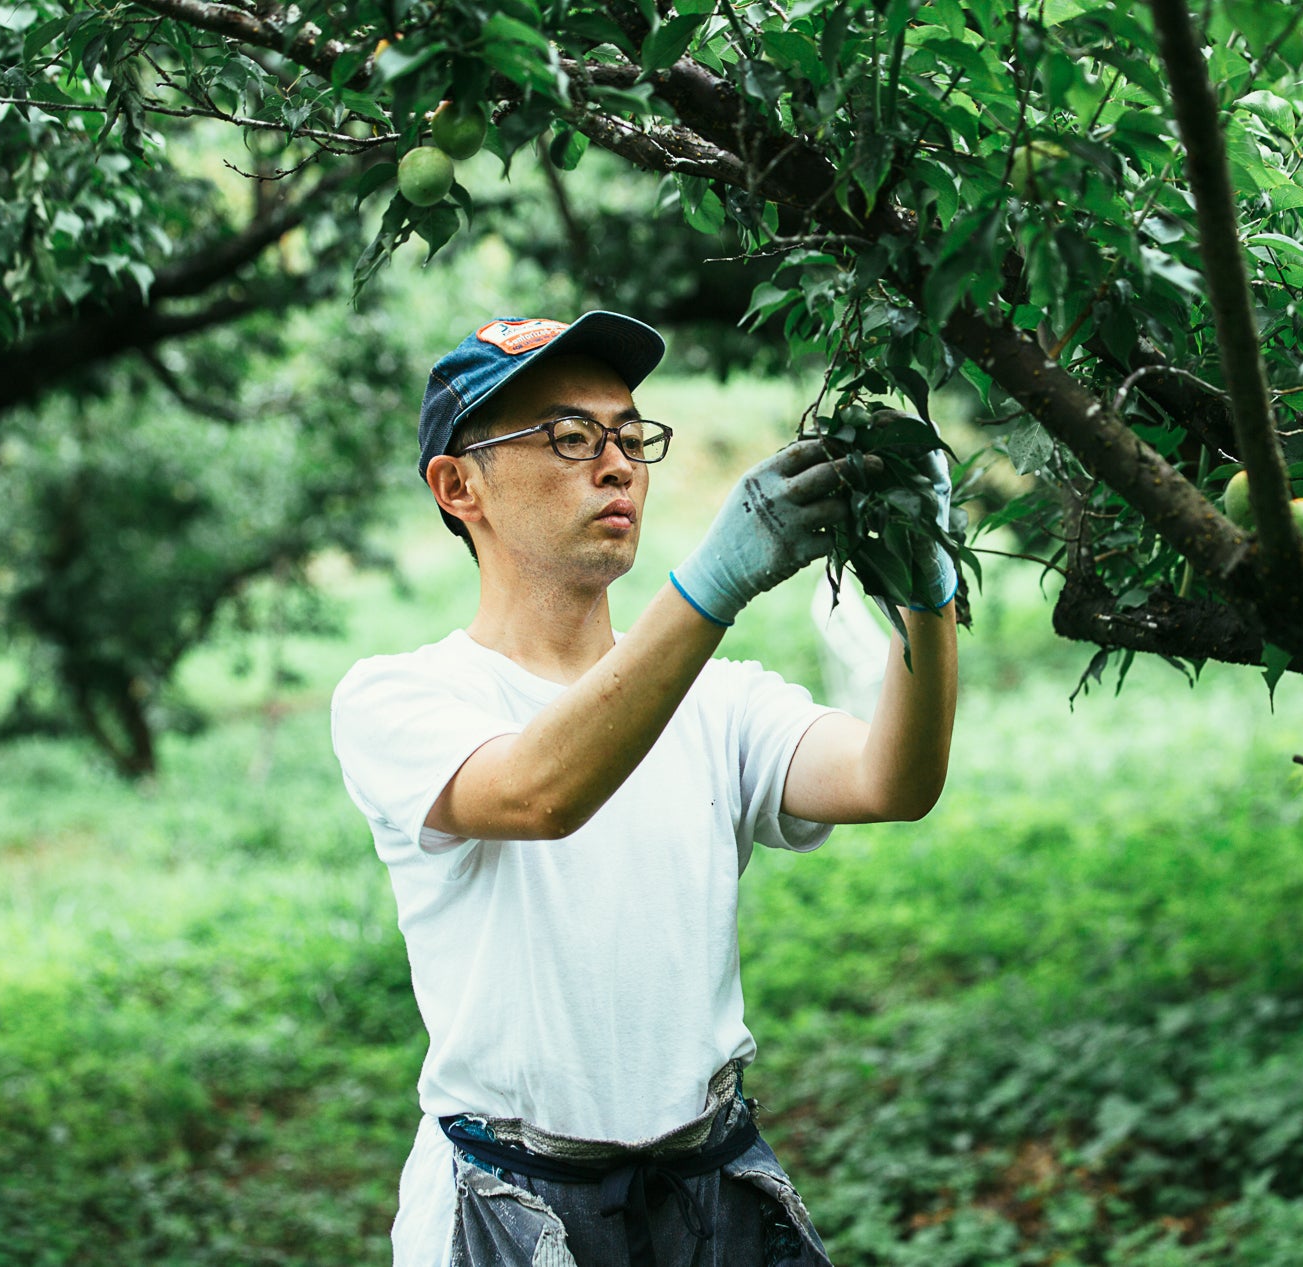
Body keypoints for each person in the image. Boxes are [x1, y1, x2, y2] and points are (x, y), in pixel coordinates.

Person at [330, 312, 960, 1267]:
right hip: (511, 1200)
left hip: (711, 1182)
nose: (616, 463)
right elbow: (539, 793)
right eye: (570, 438)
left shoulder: (720, 700)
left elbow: (894, 778)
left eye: (630, 435)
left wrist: (929, 593)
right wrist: (711, 583)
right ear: (460, 486)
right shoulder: (401, 697)